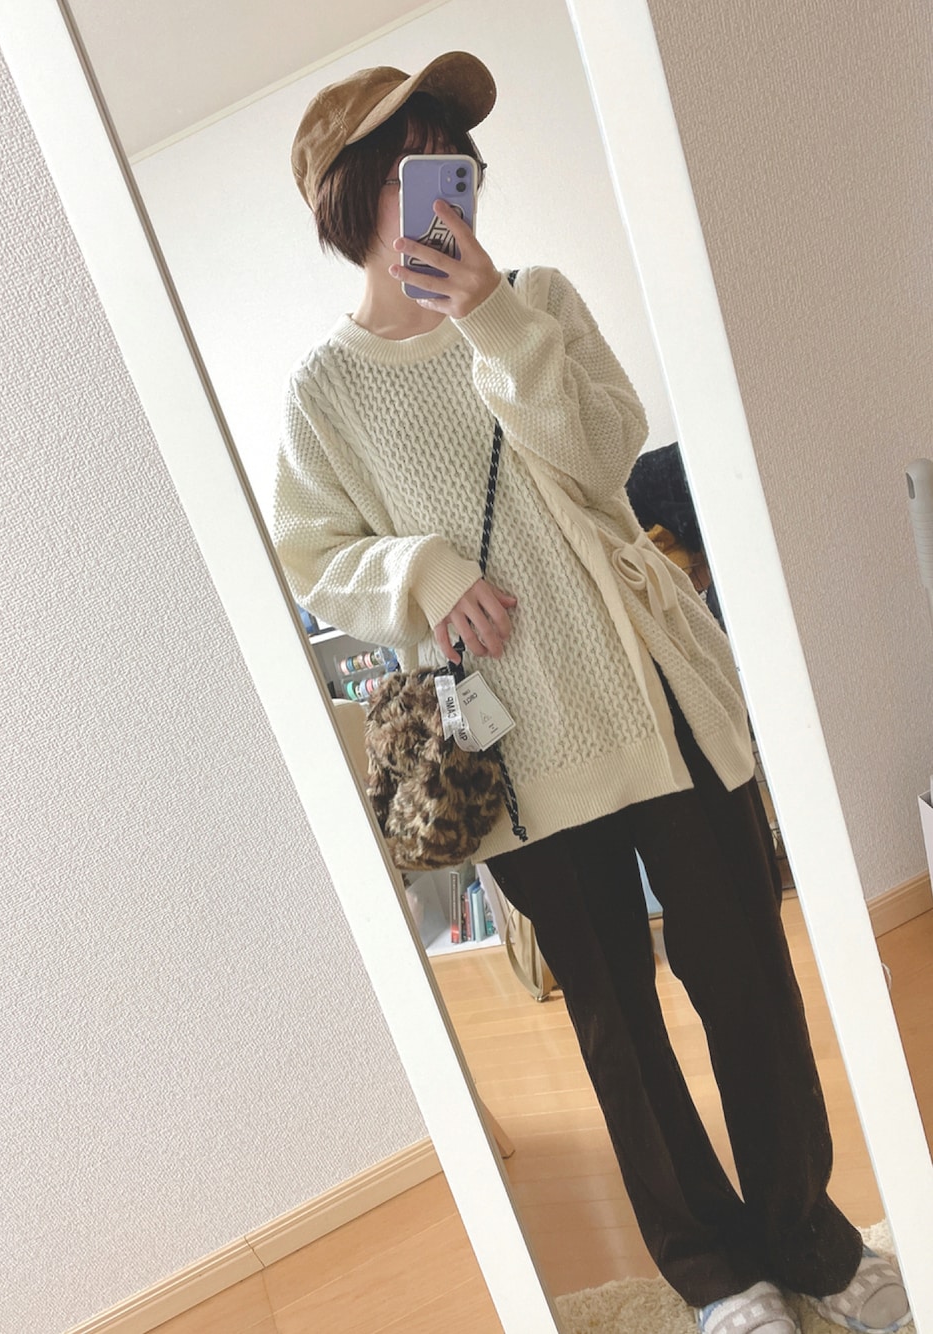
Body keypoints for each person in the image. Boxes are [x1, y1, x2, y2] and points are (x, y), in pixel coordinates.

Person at [271, 51, 911, 1334]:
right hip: (515, 750)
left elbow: (604, 452)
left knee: (749, 982)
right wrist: (421, 569)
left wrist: (495, 321)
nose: (445, 194)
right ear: (349, 200)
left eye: (454, 165)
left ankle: (803, 1233)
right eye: (412, 171)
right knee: (619, 1025)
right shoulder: (324, 392)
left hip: (654, 701)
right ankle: (717, 1276)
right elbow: (311, 553)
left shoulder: (539, 299)